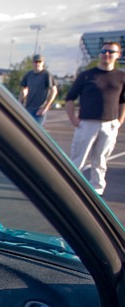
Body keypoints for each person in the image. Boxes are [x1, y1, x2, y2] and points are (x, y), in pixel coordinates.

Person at [65, 41, 125, 195]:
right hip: (87, 123)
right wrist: (73, 118)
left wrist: (119, 121)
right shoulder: (86, 75)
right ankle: (70, 188)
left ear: (118, 55)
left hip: (109, 125)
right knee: (78, 158)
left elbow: (123, 101)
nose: (106, 54)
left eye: (111, 52)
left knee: (100, 160)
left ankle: (97, 190)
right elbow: (70, 97)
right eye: (104, 51)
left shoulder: (121, 76)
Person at [19, 54, 58, 126]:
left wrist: (45, 107)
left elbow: (54, 91)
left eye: (39, 62)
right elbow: (24, 89)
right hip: (28, 108)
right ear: (32, 63)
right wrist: (20, 103)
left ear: (43, 63)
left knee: (35, 130)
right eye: (35, 62)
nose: (37, 64)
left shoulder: (47, 75)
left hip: (39, 109)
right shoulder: (28, 75)